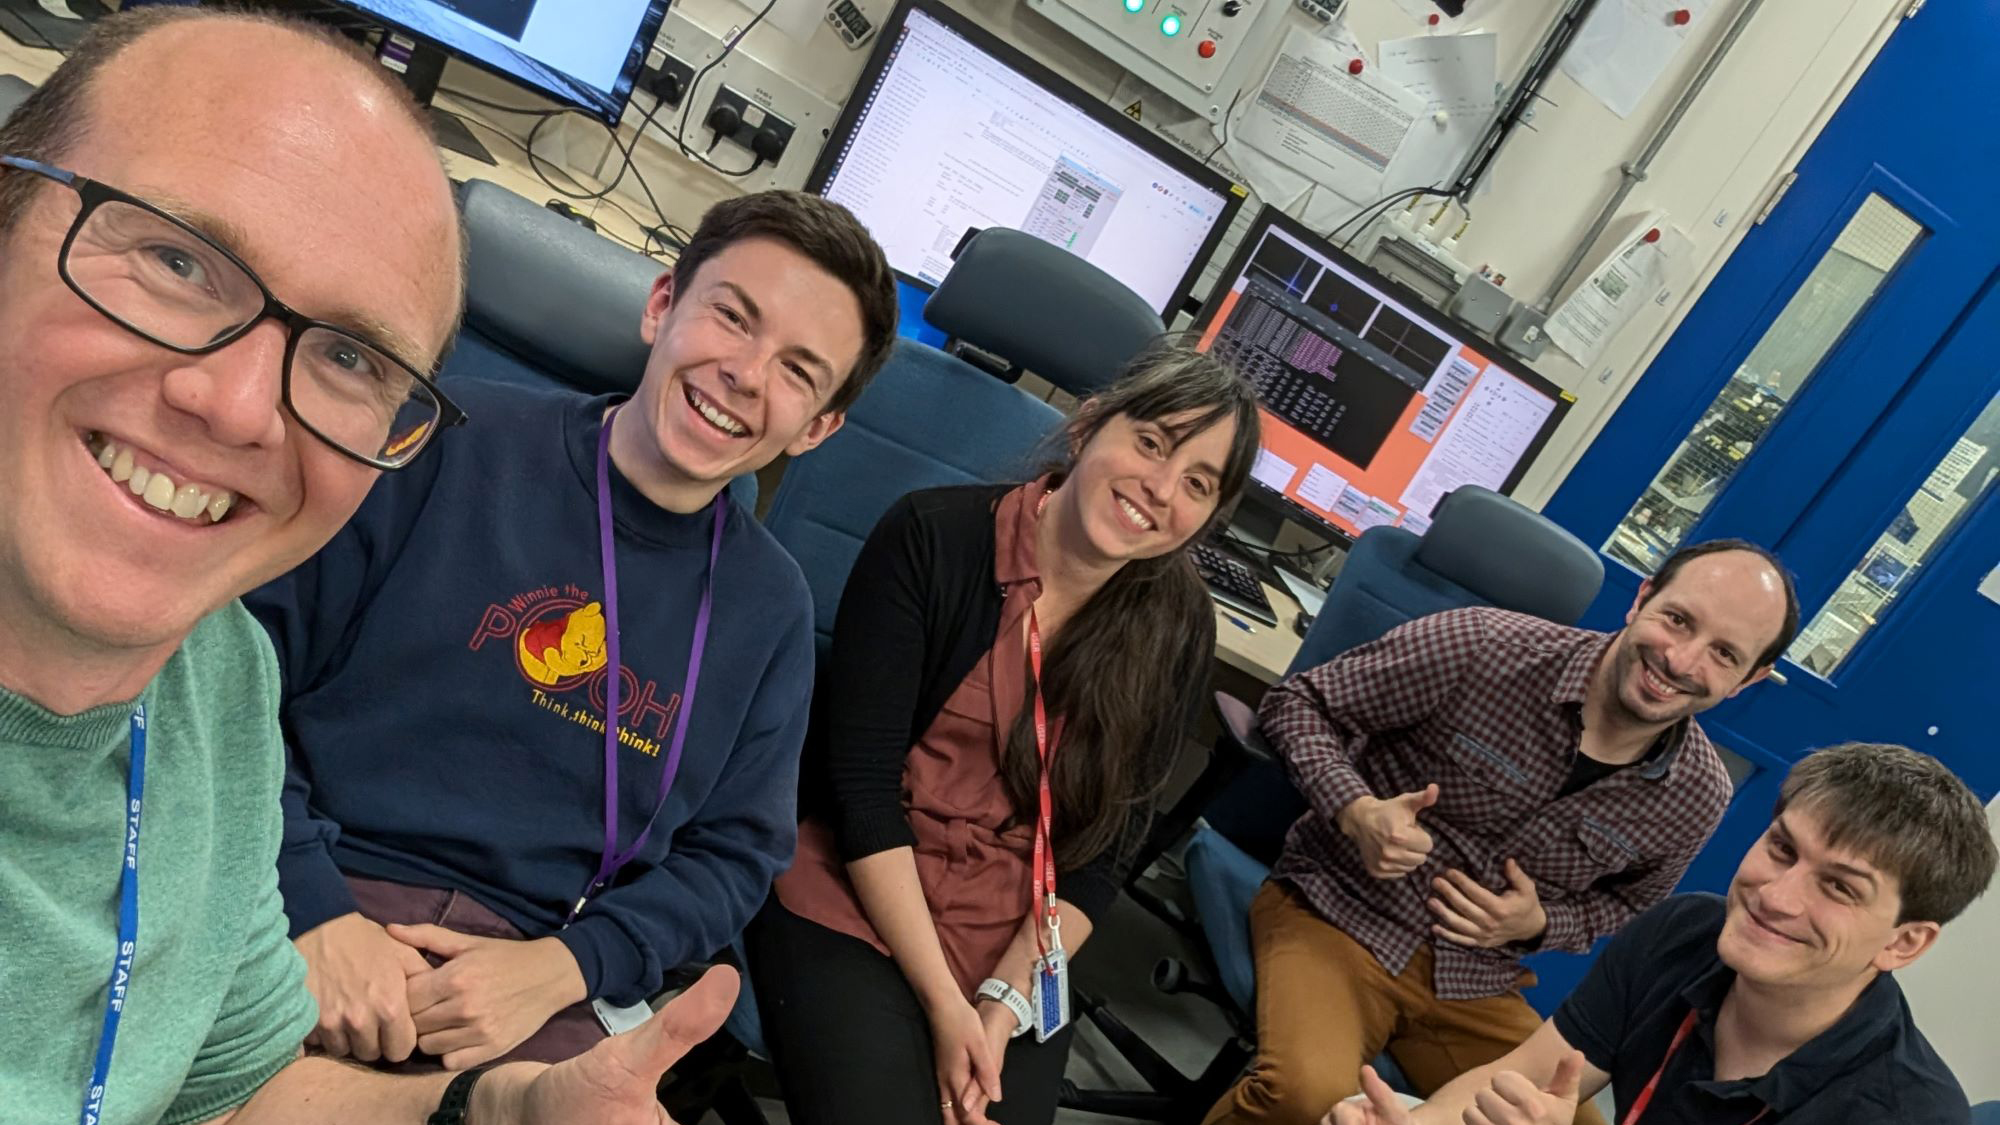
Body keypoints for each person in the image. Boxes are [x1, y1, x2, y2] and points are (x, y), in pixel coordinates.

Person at [0, 8, 737, 1124]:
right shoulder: (473, 465)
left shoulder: (218, 683)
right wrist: (323, 906)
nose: (239, 405)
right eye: (176, 260)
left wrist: (506, 1108)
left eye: (348, 356)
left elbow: (233, 1096)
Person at [244, 181, 897, 1071]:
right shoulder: (445, 440)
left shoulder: (771, 609)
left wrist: (564, 968)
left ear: (816, 428)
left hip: (538, 968)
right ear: (662, 304)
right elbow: (240, 671)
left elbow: (735, 857)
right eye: (732, 317)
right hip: (302, 879)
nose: (747, 373)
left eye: (797, 370)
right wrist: (312, 902)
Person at [747, 346, 1261, 1125]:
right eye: (1153, 442)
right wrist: (945, 1005)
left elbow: (1102, 856)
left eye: (1197, 483)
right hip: (865, 888)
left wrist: (1001, 1003)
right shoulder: (934, 535)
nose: (1161, 489)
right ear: (1089, 426)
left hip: (1015, 931)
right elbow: (861, 794)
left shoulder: (1178, 623)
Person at [1207, 540, 1802, 1125]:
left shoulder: (1697, 794)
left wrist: (1541, 924)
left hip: (1475, 982)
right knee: (1304, 1097)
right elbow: (1298, 704)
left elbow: (1629, 905)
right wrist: (1355, 809)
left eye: (1724, 654)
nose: (1681, 660)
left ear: (1749, 679)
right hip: (1339, 914)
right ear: (1642, 597)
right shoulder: (1484, 645)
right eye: (1677, 619)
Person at [1331, 741, 1996, 1125]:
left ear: (1903, 943)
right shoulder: (1685, 931)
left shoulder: (1905, 1114)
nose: (1775, 895)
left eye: (1841, 888)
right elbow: (1519, 1074)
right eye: (1782, 848)